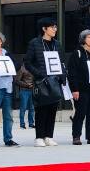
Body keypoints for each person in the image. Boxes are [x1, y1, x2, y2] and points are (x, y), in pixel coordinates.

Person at [23, 17, 66, 147]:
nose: (55, 29)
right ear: (44, 29)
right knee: (41, 110)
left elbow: (61, 61)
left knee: (53, 109)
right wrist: (39, 74)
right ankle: (39, 137)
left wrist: (62, 76)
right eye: (52, 27)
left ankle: (49, 136)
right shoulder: (35, 43)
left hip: (55, 80)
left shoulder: (57, 44)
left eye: (55, 27)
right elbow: (28, 62)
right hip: (41, 81)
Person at [15, 62, 35, 129]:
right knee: (23, 108)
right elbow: (17, 81)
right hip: (24, 90)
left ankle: (31, 123)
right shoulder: (22, 69)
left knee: (32, 108)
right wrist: (27, 85)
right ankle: (22, 124)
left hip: (32, 90)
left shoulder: (33, 68)